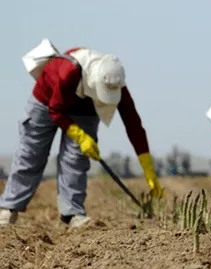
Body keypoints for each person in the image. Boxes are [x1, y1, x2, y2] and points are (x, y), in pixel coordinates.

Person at [0, 44, 163, 228]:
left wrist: (149, 171)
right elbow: (56, 110)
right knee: (32, 154)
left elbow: (133, 125)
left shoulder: (116, 83)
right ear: (93, 82)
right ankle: (9, 207)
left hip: (85, 111)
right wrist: (80, 136)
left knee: (76, 158)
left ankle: (71, 214)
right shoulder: (69, 71)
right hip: (46, 102)